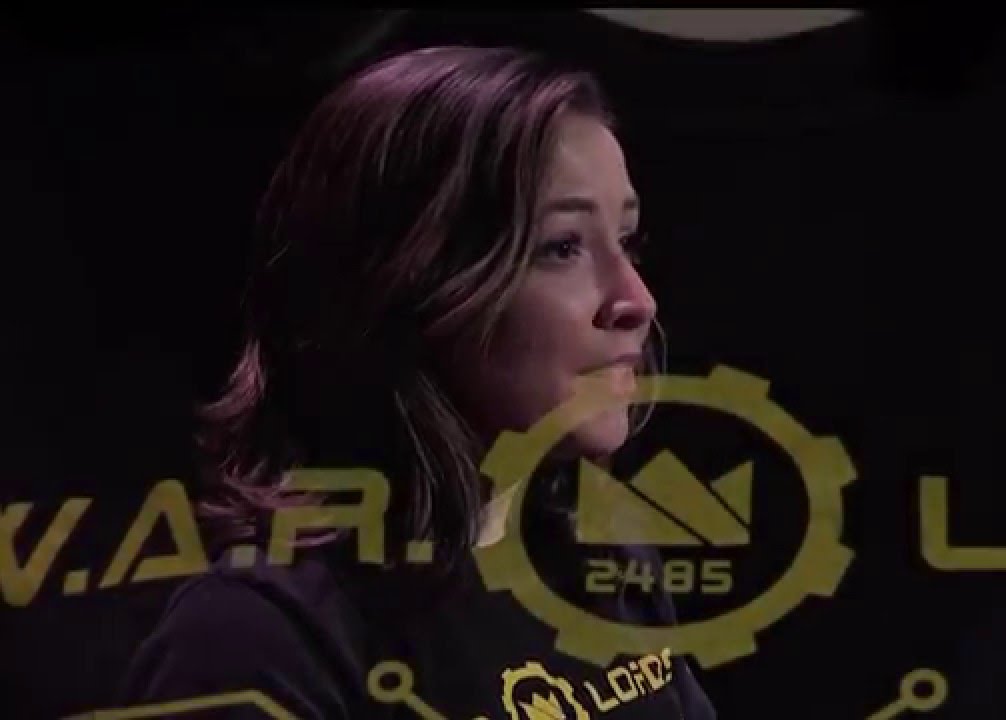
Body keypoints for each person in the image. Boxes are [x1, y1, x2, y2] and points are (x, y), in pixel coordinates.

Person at [116, 45, 717, 719]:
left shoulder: (602, 558)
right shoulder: (256, 640)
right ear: (407, 282)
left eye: (627, 241)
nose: (636, 300)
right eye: (561, 247)